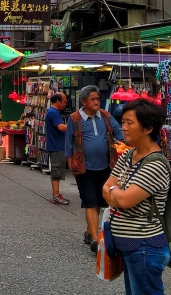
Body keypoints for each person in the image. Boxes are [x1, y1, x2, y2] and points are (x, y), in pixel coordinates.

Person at [103, 98, 171, 295]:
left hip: (144, 246)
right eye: (122, 122)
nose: (123, 127)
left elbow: (124, 200)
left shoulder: (155, 165)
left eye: (129, 123)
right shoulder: (128, 155)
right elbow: (105, 187)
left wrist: (115, 192)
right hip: (129, 245)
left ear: (148, 128)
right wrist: (117, 192)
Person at [65, 85, 122, 253]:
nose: (97, 102)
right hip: (84, 168)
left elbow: (118, 132)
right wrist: (71, 164)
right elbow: (68, 144)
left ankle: (90, 232)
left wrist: (120, 142)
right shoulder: (74, 119)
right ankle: (96, 240)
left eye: (98, 99)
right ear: (83, 101)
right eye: (93, 99)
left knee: (98, 201)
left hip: (105, 167)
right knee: (90, 202)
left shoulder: (105, 116)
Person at [45, 93, 70, 205]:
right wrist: (74, 126)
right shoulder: (53, 113)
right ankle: (55, 195)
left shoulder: (53, 112)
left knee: (58, 169)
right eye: (64, 101)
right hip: (56, 145)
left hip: (57, 145)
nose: (65, 103)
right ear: (58, 101)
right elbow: (61, 127)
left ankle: (56, 194)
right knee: (56, 169)